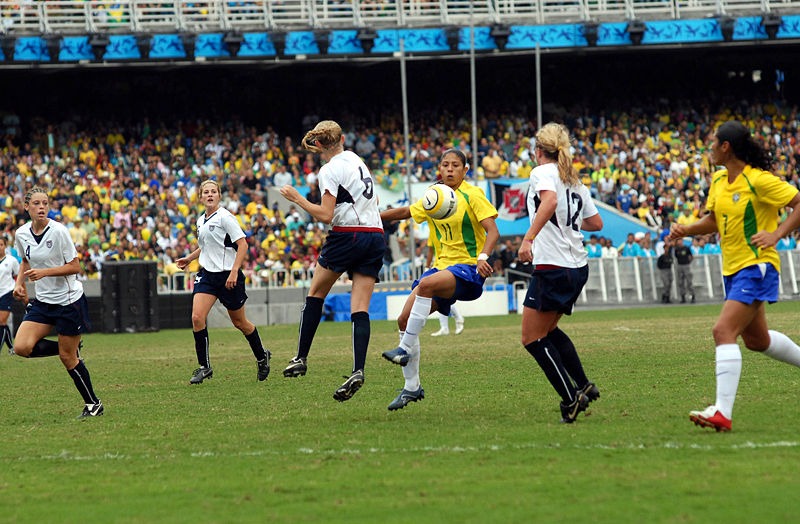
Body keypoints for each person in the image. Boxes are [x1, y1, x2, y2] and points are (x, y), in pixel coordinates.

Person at [669, 120, 800, 432]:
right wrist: (687, 229)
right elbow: (714, 220)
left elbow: (798, 202)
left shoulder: (759, 181)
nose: (710, 148)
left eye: (713, 142)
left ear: (726, 147)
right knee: (758, 341)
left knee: (722, 331)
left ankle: (722, 414)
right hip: (732, 269)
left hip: (757, 267)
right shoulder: (718, 180)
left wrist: (777, 234)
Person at [381, 149, 499, 411]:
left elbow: (493, 230)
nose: (449, 169)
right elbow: (406, 212)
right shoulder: (436, 196)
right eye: (445, 164)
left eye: (455, 165)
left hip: (469, 269)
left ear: (465, 169)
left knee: (426, 285)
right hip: (441, 269)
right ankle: (412, 387)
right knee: (403, 319)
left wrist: (483, 257)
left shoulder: (473, 194)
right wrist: (375, 217)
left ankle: (403, 348)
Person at [278, 120, 384, 402]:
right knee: (360, 307)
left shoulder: (329, 169)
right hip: (375, 235)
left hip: (348, 235)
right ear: (343, 139)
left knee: (316, 294)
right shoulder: (357, 160)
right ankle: (358, 369)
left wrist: (297, 198)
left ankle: (300, 357)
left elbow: (326, 215)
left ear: (319, 144)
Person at [517, 123, 604, 424]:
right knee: (548, 331)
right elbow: (596, 224)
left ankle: (571, 398)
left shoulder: (542, 172)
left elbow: (550, 201)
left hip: (553, 265)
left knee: (532, 338)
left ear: (537, 151)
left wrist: (529, 238)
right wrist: (569, 225)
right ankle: (583, 384)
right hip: (577, 266)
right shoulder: (575, 180)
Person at [11, 187, 103, 418]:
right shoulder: (21, 233)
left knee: (67, 358)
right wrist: (19, 283)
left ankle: (94, 404)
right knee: (21, 347)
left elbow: (75, 267)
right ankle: (71, 348)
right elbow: (25, 260)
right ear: (26, 207)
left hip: (68, 301)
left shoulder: (59, 231)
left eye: (45, 203)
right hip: (43, 302)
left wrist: (45, 273)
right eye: (36, 204)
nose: (41, 207)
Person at [176, 179, 271, 385]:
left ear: (219, 195)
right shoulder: (201, 220)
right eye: (206, 192)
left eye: (213, 192)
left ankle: (262, 356)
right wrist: (189, 258)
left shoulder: (226, 217)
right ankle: (204, 367)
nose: (210, 195)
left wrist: (234, 271)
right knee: (197, 317)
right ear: (200, 197)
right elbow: (207, 246)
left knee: (240, 323)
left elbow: (242, 244)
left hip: (229, 276)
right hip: (208, 276)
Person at [424, 237, 465, 337]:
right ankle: (447, 325)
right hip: (438, 265)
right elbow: (430, 250)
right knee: (441, 296)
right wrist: (427, 266)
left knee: (443, 296)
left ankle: (455, 320)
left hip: (449, 265)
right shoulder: (433, 230)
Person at [0, 235, 21, 354]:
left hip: (7, 292)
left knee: (1, 320)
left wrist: (21, 290)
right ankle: (12, 347)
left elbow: (19, 275)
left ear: (5, 246)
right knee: (2, 322)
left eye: (1, 245)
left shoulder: (11, 260)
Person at [674, 237, 694, 303]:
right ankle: (683, 296)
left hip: (686, 265)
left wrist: (688, 262)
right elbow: (676, 257)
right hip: (680, 265)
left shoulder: (686, 248)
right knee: (680, 282)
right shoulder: (676, 249)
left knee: (689, 281)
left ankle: (692, 295)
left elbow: (691, 256)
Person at [656, 237, 674, 303]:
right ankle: (665, 296)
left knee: (669, 284)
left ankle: (667, 296)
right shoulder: (662, 257)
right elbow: (658, 264)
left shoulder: (669, 256)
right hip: (664, 271)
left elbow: (671, 262)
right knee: (666, 284)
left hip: (669, 270)